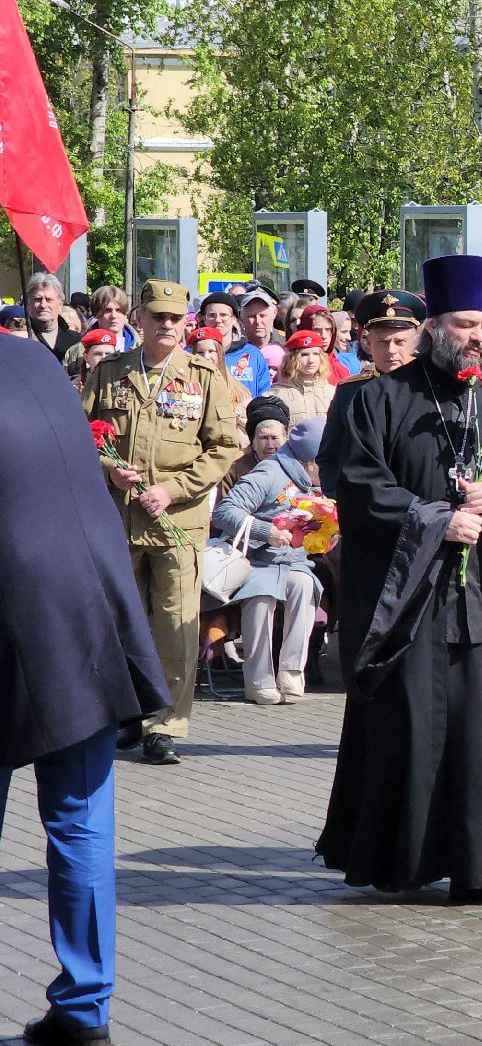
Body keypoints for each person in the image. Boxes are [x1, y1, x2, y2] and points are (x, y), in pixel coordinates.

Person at [315, 256, 482, 898]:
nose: (476, 336)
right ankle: (405, 861)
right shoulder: (379, 400)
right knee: (410, 728)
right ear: (433, 326)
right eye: (463, 324)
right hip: (411, 603)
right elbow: (359, 488)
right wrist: (435, 520)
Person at [1, 329, 170, 1046]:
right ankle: (85, 1007)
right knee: (81, 822)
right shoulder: (32, 357)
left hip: (15, 608)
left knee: (80, 820)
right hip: (87, 610)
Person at [79, 280, 244, 765]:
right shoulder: (110, 372)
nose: (167, 325)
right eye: (158, 317)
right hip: (119, 519)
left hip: (177, 520)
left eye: (175, 318)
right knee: (121, 621)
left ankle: (164, 725)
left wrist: (172, 489)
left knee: (174, 624)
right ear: (140, 320)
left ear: (185, 323)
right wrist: (108, 468)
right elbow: (80, 434)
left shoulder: (203, 376)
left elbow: (224, 447)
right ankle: (128, 714)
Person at [211, 416, 324, 706]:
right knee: (262, 596)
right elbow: (224, 512)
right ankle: (258, 680)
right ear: (308, 458)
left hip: (295, 562)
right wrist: (266, 531)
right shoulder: (268, 473)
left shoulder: (317, 477)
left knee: (304, 586)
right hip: (256, 561)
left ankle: (291, 671)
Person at [316, 290, 426, 494]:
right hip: (364, 504)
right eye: (383, 342)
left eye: (400, 342)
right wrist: (340, 500)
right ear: (368, 343)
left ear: (415, 343)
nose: (391, 350)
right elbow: (330, 456)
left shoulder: (429, 390)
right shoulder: (350, 391)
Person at [270, 329, 336, 425]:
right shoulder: (276, 395)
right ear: (292, 358)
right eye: (304, 354)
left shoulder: (333, 393)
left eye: (316, 354)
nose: (311, 360)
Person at [225, 291, 274, 398]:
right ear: (241, 319)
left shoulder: (284, 349)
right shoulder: (230, 351)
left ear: (274, 314)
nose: (258, 321)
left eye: (263, 315)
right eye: (252, 316)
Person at [22, 273, 82, 359]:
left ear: (60, 304)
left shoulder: (76, 340)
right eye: (38, 299)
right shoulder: (19, 337)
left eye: (48, 300)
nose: (43, 305)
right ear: (28, 303)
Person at [90, 286, 135, 351]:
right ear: (96, 314)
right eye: (107, 311)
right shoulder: (80, 350)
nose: (114, 316)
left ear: (125, 315)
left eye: (118, 310)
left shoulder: (142, 348)